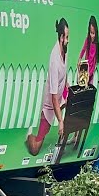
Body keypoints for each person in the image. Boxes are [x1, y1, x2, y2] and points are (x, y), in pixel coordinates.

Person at [25, 18, 70, 156]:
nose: (68, 40)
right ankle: (29, 136)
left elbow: (65, 72)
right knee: (35, 149)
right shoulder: (54, 60)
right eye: (67, 37)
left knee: (74, 103)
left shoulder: (64, 49)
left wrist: (67, 87)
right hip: (50, 105)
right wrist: (60, 121)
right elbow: (54, 97)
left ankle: (67, 136)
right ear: (61, 37)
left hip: (62, 95)